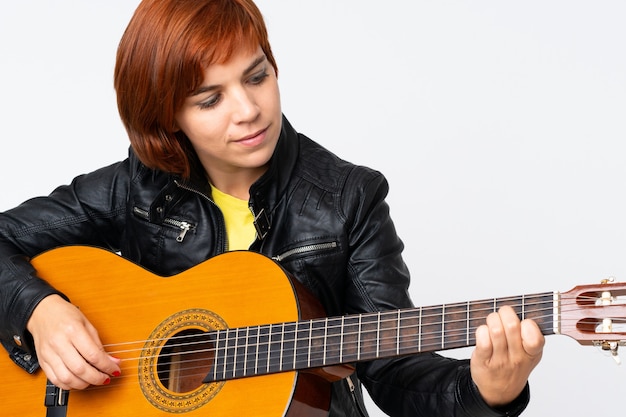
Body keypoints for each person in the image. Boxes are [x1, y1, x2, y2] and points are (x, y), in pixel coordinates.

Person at [0, 0, 544, 416]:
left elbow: (391, 366)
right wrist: (39, 310)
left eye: (256, 76)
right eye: (210, 99)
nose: (248, 110)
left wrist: (484, 392)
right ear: (167, 118)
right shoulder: (137, 186)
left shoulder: (349, 199)